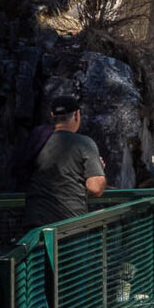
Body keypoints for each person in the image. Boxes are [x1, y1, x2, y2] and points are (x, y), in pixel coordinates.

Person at [21, 89, 107, 233]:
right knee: (71, 256)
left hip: (35, 221)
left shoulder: (36, 142)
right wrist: (99, 169)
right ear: (77, 115)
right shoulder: (84, 143)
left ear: (52, 115)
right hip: (70, 223)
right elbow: (96, 188)